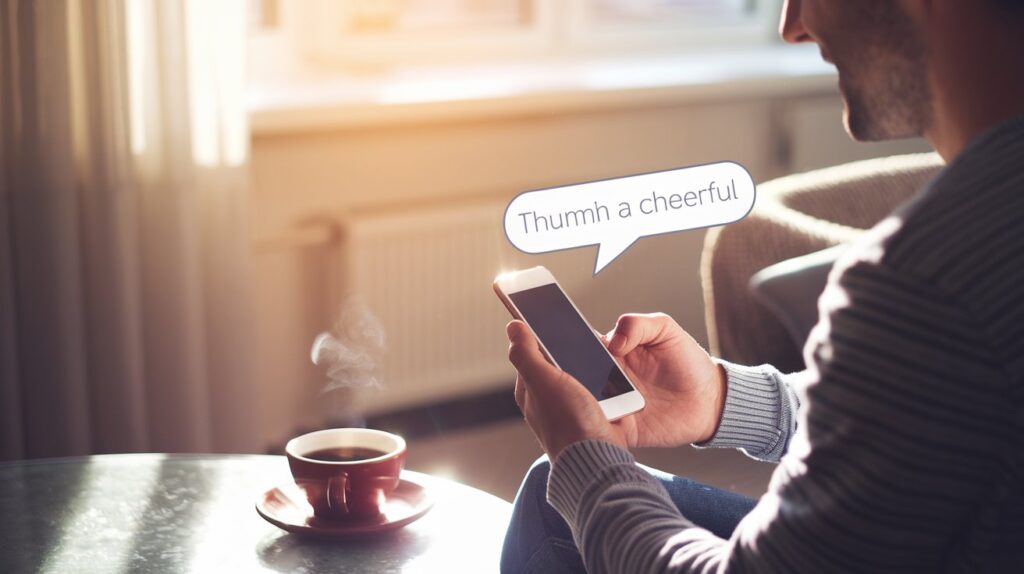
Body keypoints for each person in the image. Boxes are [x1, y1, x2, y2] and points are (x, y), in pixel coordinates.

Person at [500, 0, 1024, 572]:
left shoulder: (925, 279)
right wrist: (725, 400)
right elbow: (937, 410)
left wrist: (588, 461)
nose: (791, 25)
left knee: (560, 493)